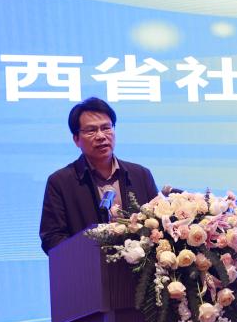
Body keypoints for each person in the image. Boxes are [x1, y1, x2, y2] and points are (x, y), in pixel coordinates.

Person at [39, 97, 159, 254]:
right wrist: (89, 255)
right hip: (85, 268)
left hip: (138, 268)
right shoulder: (60, 182)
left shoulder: (140, 175)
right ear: (76, 139)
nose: (101, 136)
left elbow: (157, 225)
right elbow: (52, 238)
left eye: (106, 128)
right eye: (91, 130)